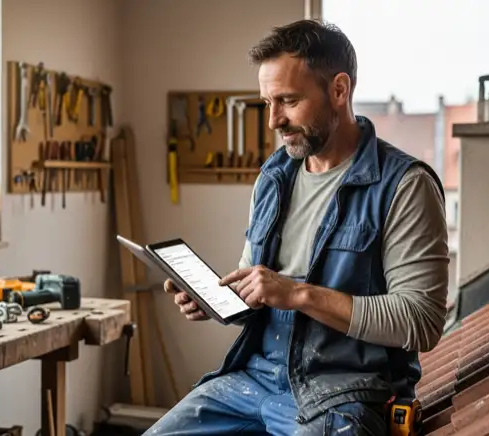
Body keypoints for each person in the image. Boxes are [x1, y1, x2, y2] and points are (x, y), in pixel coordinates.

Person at [146, 19, 449, 436]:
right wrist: (220, 301)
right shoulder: (274, 177)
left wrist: (299, 294)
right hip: (251, 381)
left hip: (344, 394)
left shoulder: (405, 186)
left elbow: (421, 321)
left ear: (339, 90)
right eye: (267, 101)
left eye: (287, 100)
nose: (273, 120)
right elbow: (261, 288)